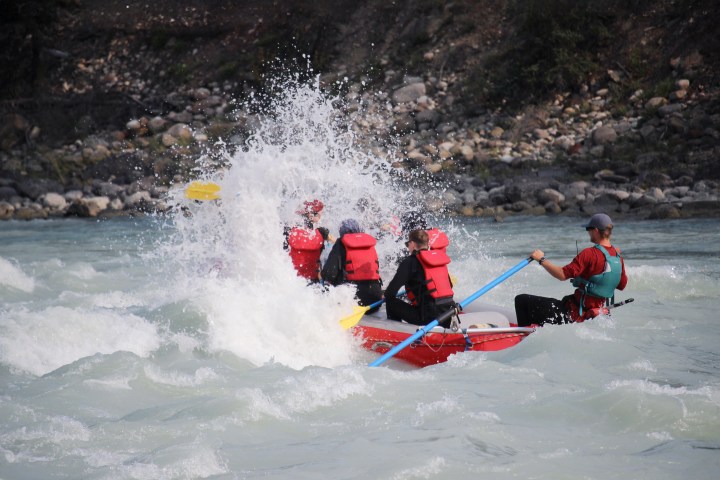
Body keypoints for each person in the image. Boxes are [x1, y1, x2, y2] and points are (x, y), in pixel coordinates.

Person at [514, 213, 628, 327]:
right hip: (596, 315)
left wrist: (541, 259)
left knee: (521, 300)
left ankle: (523, 336)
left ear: (596, 231)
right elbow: (621, 285)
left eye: (588, 229)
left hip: (573, 315)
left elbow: (562, 274)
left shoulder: (589, 254)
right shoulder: (618, 257)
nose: (588, 232)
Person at [385, 229, 456, 327]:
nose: (407, 247)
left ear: (413, 244)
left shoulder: (409, 262)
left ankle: (396, 333)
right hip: (448, 314)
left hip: (428, 319)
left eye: (407, 244)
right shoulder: (439, 259)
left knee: (390, 301)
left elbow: (390, 293)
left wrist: (384, 295)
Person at [321, 218, 383, 310]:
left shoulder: (340, 243)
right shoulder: (369, 243)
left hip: (354, 300)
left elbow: (329, 273)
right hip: (375, 300)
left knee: (325, 286)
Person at [284, 199, 331, 282]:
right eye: (320, 215)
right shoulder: (321, 232)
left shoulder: (288, 230)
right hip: (313, 278)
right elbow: (337, 242)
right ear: (311, 215)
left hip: (291, 279)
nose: (321, 217)